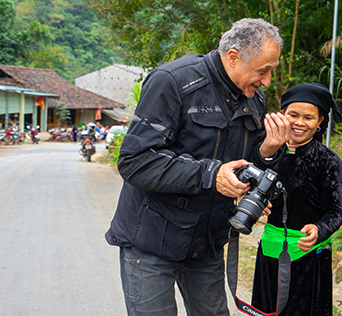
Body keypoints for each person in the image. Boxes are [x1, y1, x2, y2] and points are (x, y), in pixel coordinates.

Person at [105, 18, 290, 316]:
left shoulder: (254, 98)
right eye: (262, 70)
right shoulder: (173, 81)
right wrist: (211, 175)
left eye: (271, 71)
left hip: (205, 240)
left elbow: (245, 162)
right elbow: (135, 161)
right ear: (233, 56)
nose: (267, 80)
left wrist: (267, 152)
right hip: (151, 238)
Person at [251, 83, 342, 315]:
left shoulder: (328, 162)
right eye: (293, 114)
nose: (299, 122)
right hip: (271, 252)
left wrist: (318, 229)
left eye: (309, 117)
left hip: (309, 256)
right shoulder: (266, 152)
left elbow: (336, 211)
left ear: (320, 121)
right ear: (283, 114)